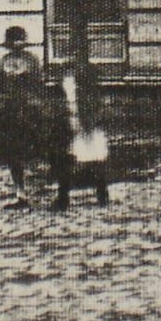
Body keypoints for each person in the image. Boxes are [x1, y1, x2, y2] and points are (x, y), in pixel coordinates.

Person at [0, 26, 51, 201]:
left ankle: (40, 184)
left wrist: (40, 106)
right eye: (13, 40)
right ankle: (20, 190)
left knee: (37, 148)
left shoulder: (33, 61)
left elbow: (39, 86)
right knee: (12, 151)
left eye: (19, 40)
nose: (17, 44)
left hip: (30, 110)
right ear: (8, 43)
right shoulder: (1, 63)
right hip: (10, 111)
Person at [52, 60, 111, 211]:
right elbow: (61, 103)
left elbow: (95, 102)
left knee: (96, 157)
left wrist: (89, 119)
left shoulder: (87, 83)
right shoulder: (62, 84)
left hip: (87, 122)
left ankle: (102, 195)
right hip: (69, 122)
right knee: (66, 159)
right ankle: (63, 198)